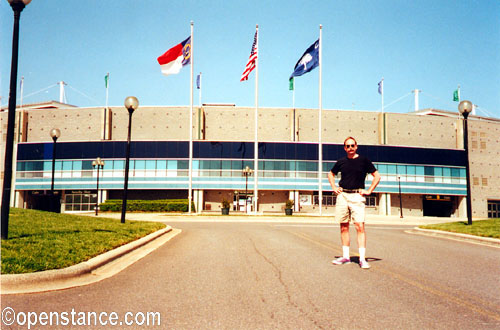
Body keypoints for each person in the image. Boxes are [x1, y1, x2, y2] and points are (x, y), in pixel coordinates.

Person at [328, 137, 381, 269]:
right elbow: (330, 174)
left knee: (359, 226)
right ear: (345, 148)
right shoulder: (341, 162)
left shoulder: (364, 161)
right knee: (344, 226)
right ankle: (346, 257)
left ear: (356, 146)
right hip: (343, 196)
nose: (350, 148)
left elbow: (377, 176)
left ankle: (362, 259)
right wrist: (334, 188)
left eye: (352, 145)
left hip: (357, 196)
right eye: (348, 146)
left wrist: (369, 191)